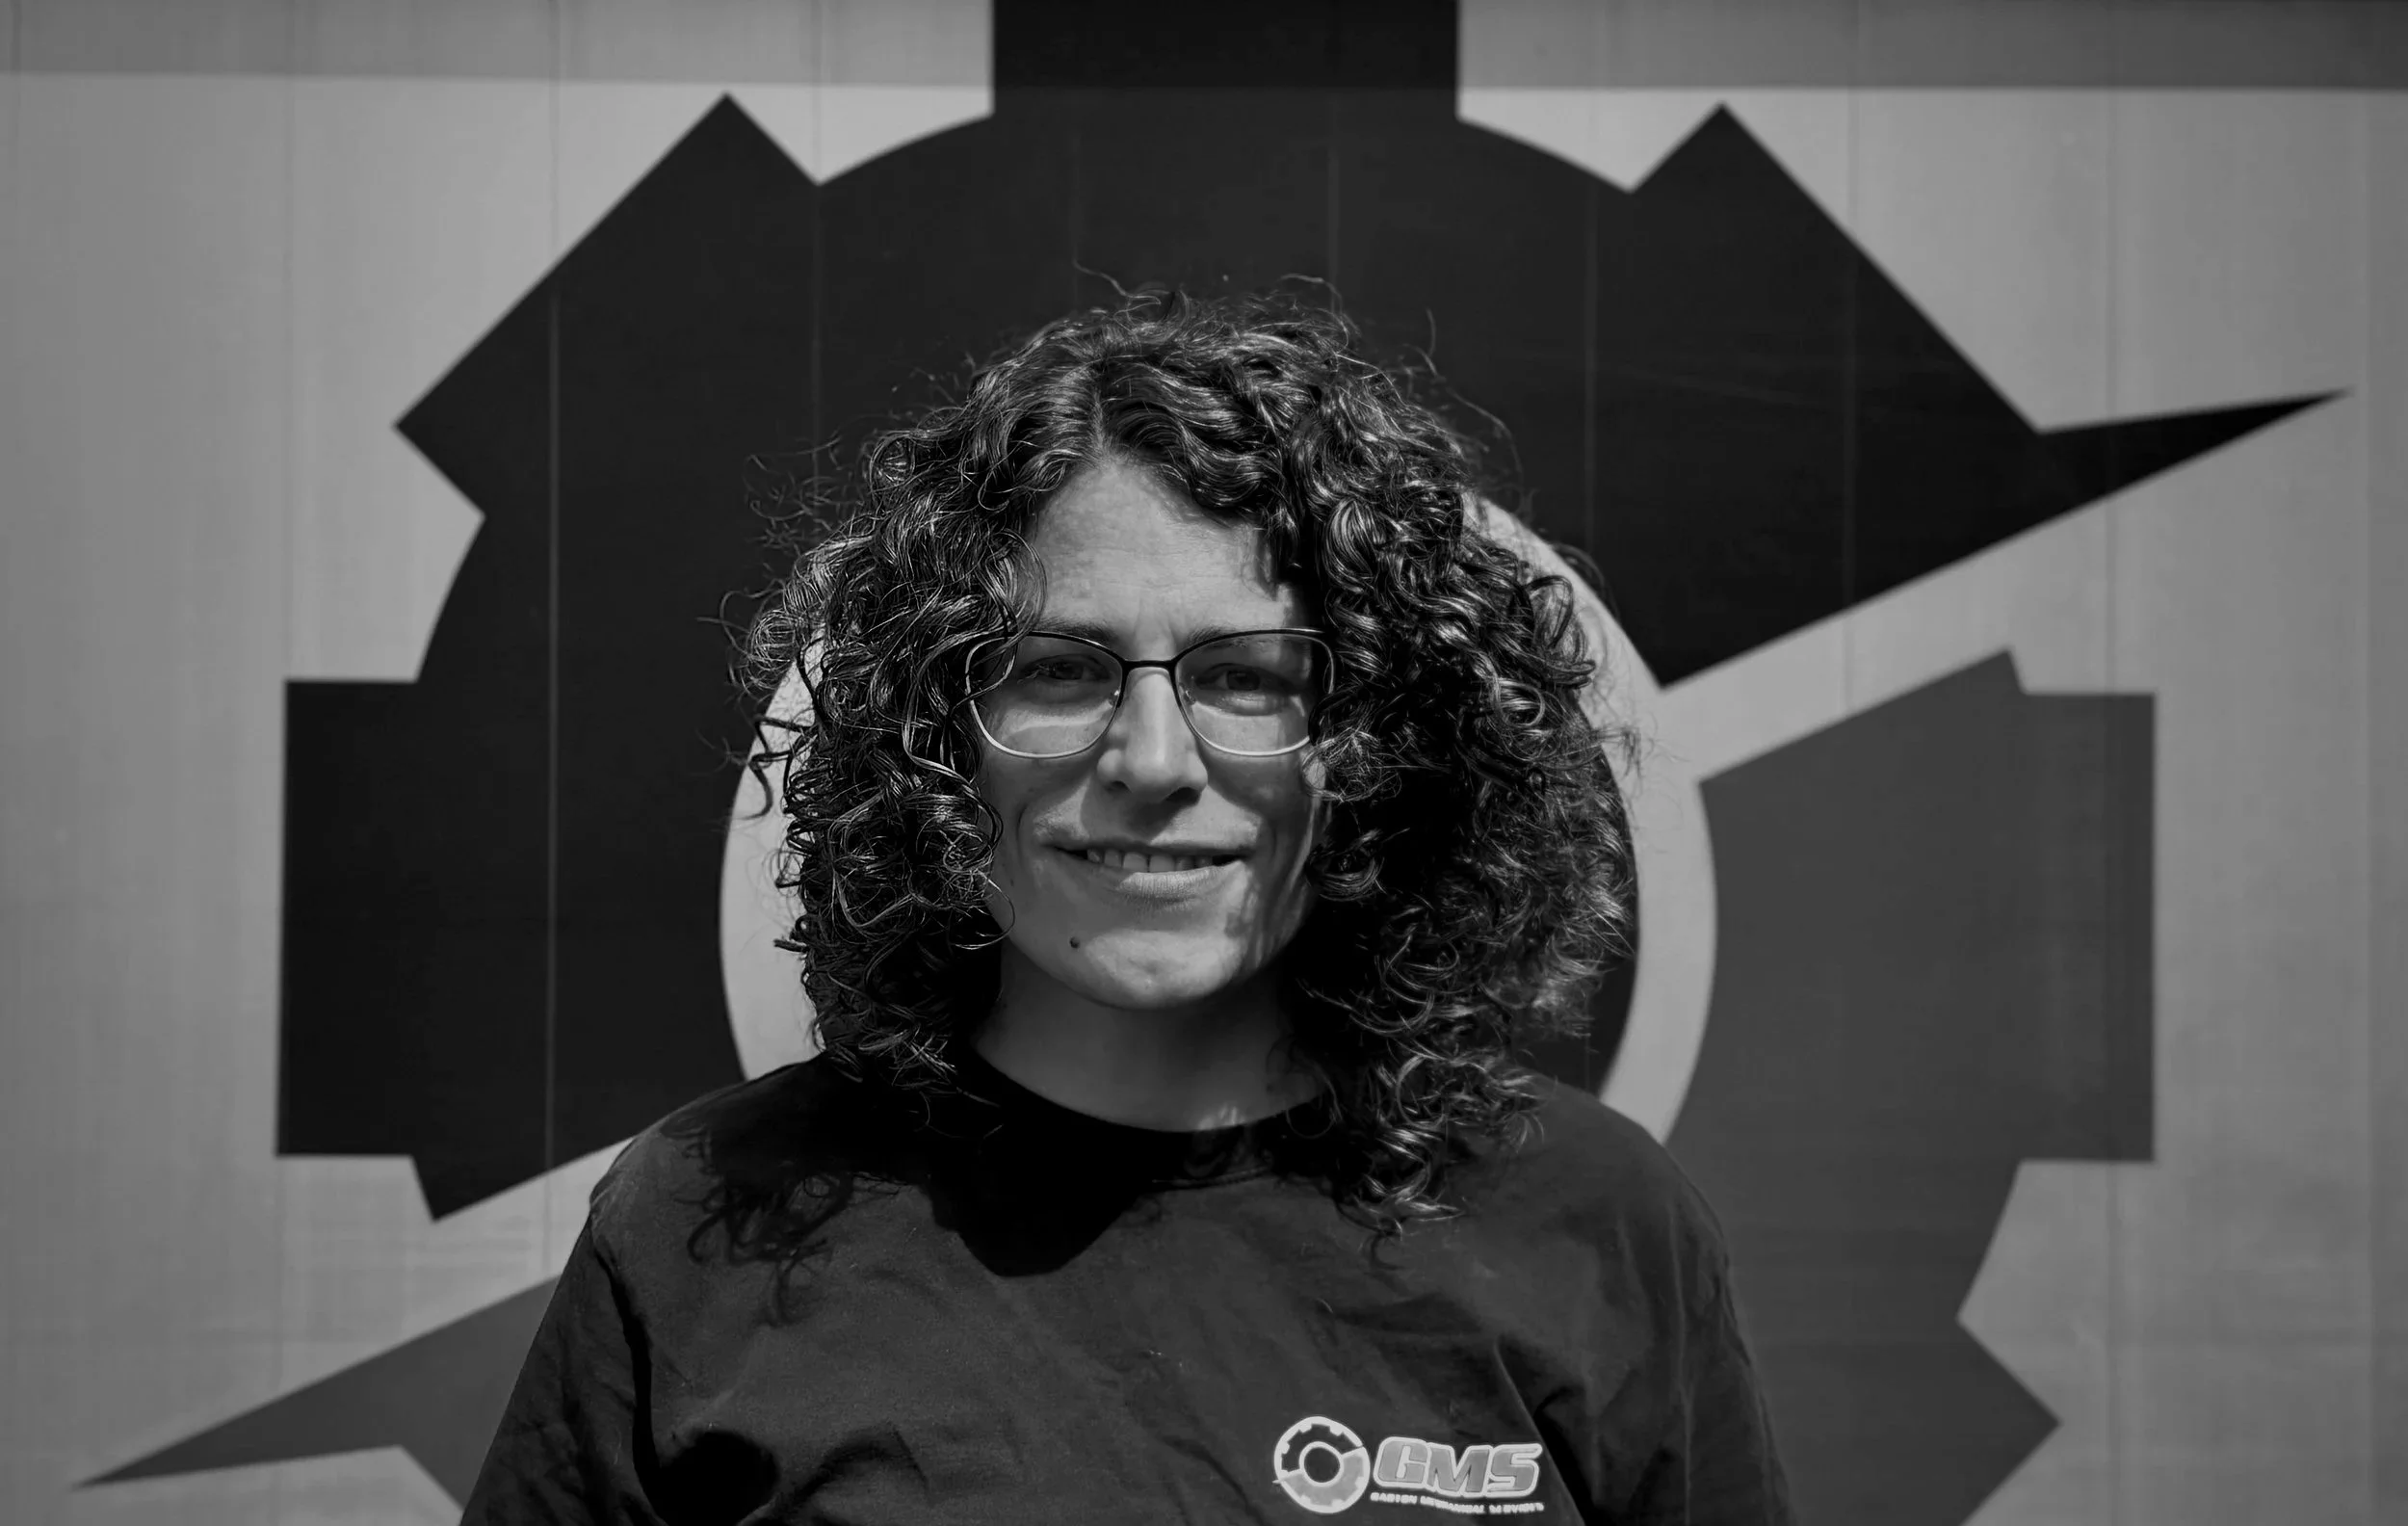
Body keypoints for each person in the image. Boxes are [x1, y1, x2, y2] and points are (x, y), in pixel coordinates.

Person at [458, 290, 1794, 1523]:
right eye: (1058, 668)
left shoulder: (1600, 1225)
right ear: (937, 738)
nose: (1154, 763)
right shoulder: (701, 1222)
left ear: (1384, 743)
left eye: (1247, 676)